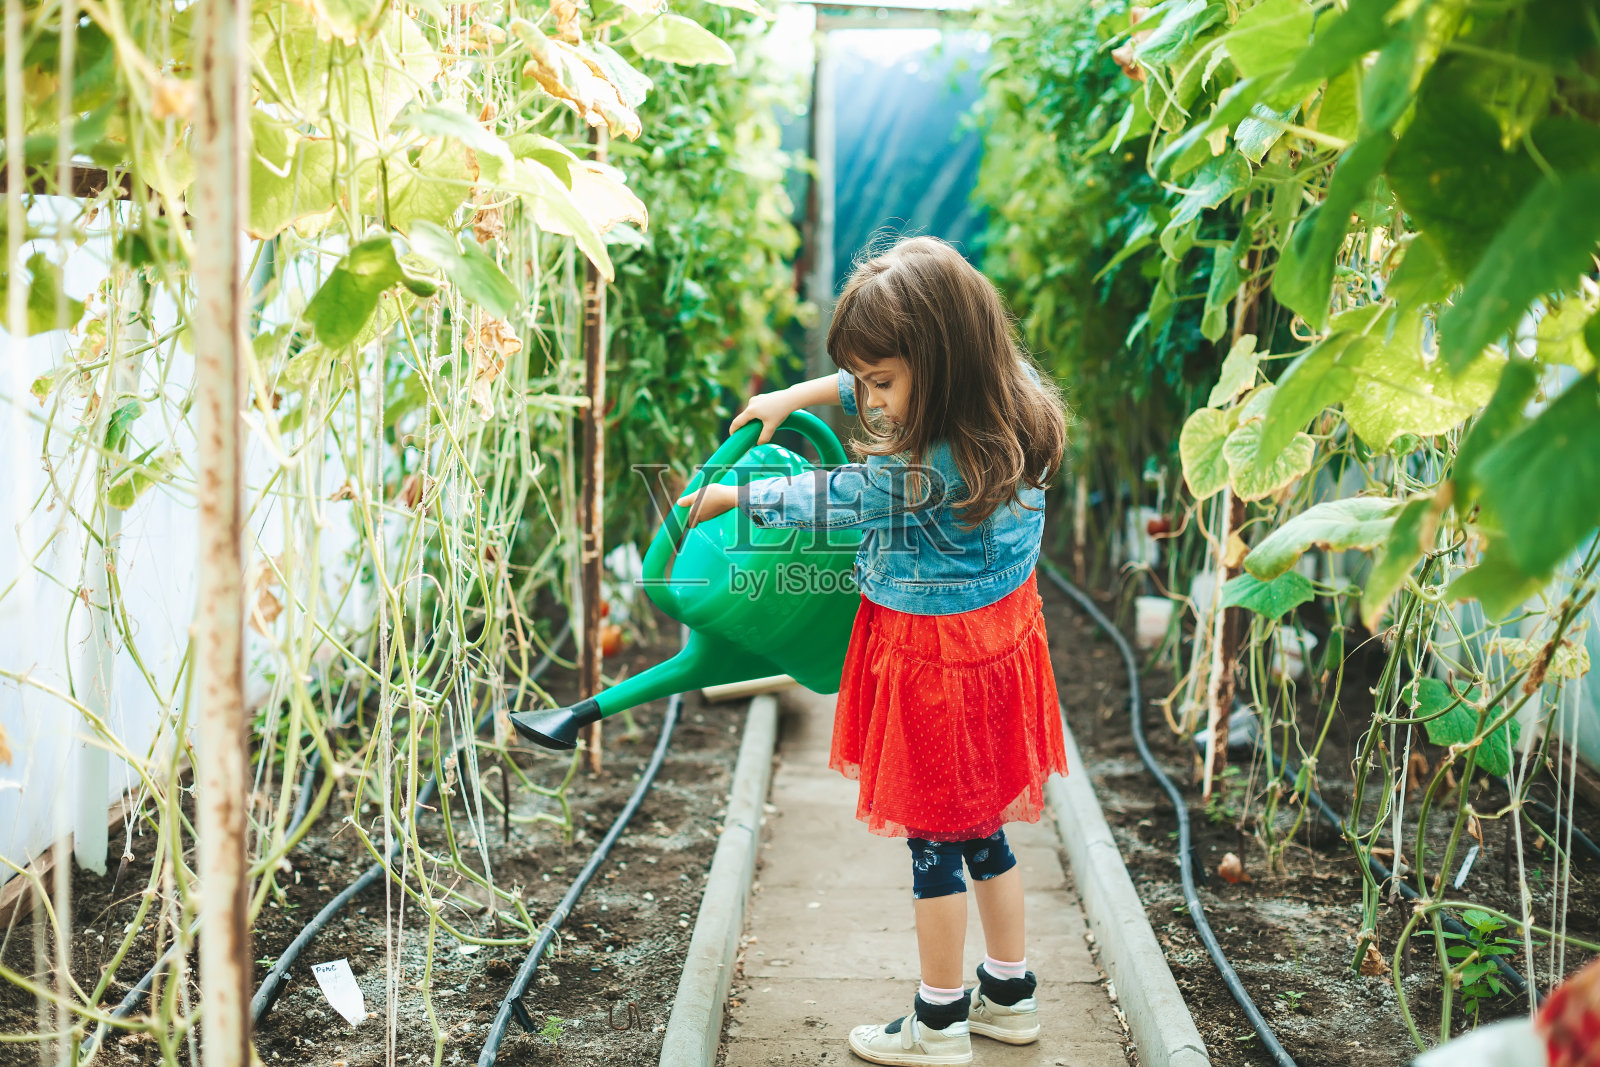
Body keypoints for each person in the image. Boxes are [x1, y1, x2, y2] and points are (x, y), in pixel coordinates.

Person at [675, 235, 1071, 1066]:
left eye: (880, 384)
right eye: (862, 381)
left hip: (935, 666)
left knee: (933, 843)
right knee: (984, 831)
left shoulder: (920, 475)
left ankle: (938, 1021)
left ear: (939, 366)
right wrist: (800, 391)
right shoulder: (1015, 402)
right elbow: (899, 371)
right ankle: (1010, 994)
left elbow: (829, 496)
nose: (868, 401)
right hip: (1000, 647)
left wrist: (726, 497)